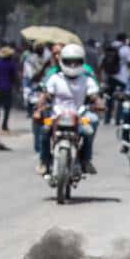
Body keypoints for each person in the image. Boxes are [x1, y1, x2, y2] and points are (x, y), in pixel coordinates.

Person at [37, 43, 103, 175]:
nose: (72, 65)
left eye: (76, 62)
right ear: (62, 61)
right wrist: (40, 107)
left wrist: (99, 103)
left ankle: (86, 160)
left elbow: (94, 95)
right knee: (44, 131)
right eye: (69, 62)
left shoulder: (87, 80)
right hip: (57, 115)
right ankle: (44, 161)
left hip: (79, 116)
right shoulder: (55, 78)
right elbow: (46, 94)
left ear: (82, 62)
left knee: (89, 130)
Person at [0, 44, 19, 131]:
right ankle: (4, 124)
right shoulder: (11, 64)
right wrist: (17, 86)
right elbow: (14, 76)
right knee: (7, 108)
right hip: (8, 87)